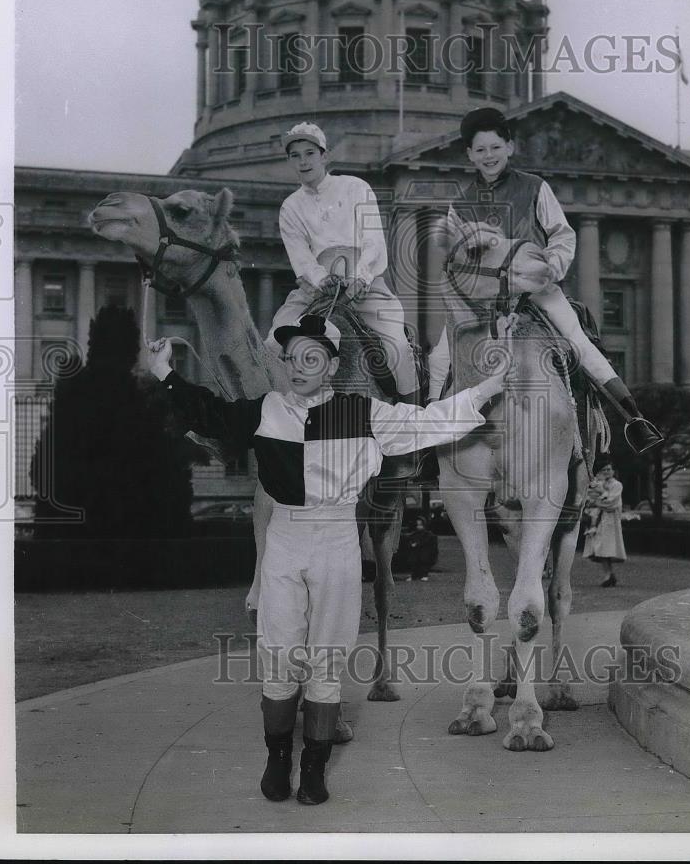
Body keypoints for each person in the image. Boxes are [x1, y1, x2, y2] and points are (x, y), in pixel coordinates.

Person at [148, 314, 509, 806]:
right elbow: (205, 412)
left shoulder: (364, 413)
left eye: (310, 357)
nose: (297, 367)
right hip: (284, 539)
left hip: (338, 538)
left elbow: (430, 421)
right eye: (291, 358)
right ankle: (278, 760)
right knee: (278, 656)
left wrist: (489, 386)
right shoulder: (266, 410)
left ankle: (314, 771)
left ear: (332, 365)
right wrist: (165, 373)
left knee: (326, 660)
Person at [427, 107, 663, 455]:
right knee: (439, 357)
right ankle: (430, 433)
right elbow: (454, 259)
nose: (488, 156)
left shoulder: (536, 188)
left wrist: (551, 265)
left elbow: (562, 235)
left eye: (494, 147)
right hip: (485, 297)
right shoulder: (460, 205)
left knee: (578, 342)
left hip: (533, 288)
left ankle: (634, 420)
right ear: (469, 155)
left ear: (509, 147)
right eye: (480, 150)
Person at [265, 122, 420, 403]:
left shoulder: (355, 187)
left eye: (309, 153)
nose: (303, 161)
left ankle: (413, 418)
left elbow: (373, 240)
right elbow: (300, 256)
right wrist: (321, 278)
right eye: (295, 155)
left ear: (324, 156)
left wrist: (360, 276)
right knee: (271, 344)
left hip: (365, 284)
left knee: (398, 345)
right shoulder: (290, 207)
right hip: (315, 289)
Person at [582, 458, 626, 586]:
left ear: (613, 471)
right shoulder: (600, 484)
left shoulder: (617, 485)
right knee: (600, 548)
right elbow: (591, 497)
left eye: (609, 469)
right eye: (604, 470)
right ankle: (609, 575)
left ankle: (609, 575)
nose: (607, 472)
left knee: (605, 547)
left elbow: (611, 503)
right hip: (599, 519)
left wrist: (597, 502)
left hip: (610, 520)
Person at [399, 514, 438, 582]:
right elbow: (410, 539)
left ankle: (424, 575)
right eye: (417, 525)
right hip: (416, 553)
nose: (418, 527)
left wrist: (417, 544)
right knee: (414, 562)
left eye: (420, 525)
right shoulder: (415, 534)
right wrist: (412, 544)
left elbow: (427, 542)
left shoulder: (428, 535)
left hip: (424, 552)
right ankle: (414, 575)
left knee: (423, 562)